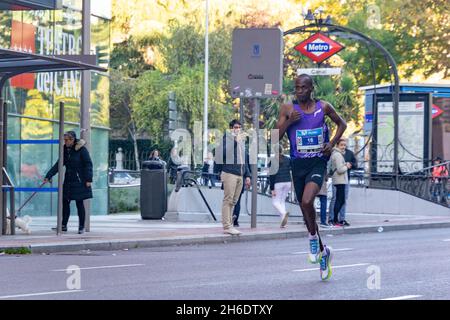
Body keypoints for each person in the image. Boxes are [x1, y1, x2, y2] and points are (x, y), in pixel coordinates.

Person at [276, 74, 347, 281]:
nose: (300, 91)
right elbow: (272, 137)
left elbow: (342, 124)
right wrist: (289, 122)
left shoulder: (323, 106)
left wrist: (331, 143)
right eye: (297, 88)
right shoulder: (288, 109)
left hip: (318, 162)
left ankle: (312, 238)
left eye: (304, 88)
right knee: (305, 208)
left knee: (308, 200)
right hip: (297, 165)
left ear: (311, 88)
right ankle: (323, 252)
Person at [44, 131, 93, 234]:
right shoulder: (65, 150)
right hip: (68, 180)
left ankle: (81, 226)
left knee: (79, 203)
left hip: (80, 181)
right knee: (65, 202)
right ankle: (63, 225)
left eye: (66, 140)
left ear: (72, 139)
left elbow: (88, 164)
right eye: (64, 140)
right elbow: (59, 164)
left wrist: (88, 179)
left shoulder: (82, 150)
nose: (65, 142)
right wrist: (49, 175)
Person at [215, 119, 251, 235]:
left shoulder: (241, 142)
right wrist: (234, 141)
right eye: (235, 127)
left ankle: (230, 224)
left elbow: (244, 159)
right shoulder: (226, 139)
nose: (238, 129)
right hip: (229, 173)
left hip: (240, 174)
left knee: (234, 201)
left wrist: (248, 175)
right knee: (228, 200)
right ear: (231, 128)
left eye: (239, 127)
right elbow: (222, 154)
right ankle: (227, 226)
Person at [328, 140, 357, 226]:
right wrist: (346, 166)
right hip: (339, 180)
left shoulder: (348, 153)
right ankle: (333, 219)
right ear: (337, 145)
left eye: (345, 145)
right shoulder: (337, 154)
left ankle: (340, 219)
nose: (343, 147)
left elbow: (355, 164)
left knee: (342, 200)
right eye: (341, 145)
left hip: (344, 180)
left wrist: (350, 164)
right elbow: (339, 169)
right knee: (337, 200)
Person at [269, 146, 292, 228]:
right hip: (288, 182)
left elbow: (272, 175)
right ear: (282, 150)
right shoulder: (288, 159)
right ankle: (283, 222)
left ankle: (283, 213)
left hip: (278, 182)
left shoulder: (273, 160)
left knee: (275, 202)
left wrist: (272, 188)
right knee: (281, 202)